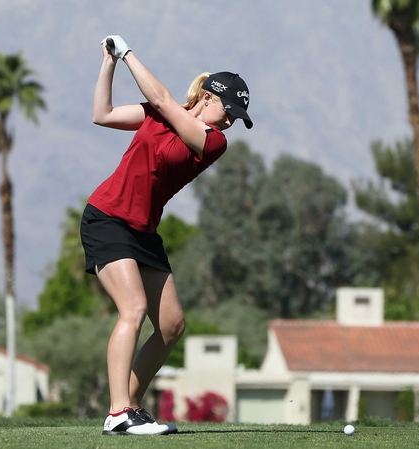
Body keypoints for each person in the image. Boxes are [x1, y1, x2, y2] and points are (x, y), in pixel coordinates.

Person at [81, 35, 253, 436]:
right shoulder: (161, 115)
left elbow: (162, 101)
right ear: (208, 97)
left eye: (235, 117)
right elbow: (101, 114)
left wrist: (128, 54)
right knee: (134, 308)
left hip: (142, 230)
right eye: (229, 111)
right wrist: (110, 62)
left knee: (172, 325)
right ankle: (118, 411)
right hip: (107, 216)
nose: (230, 122)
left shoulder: (213, 142)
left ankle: (130, 407)